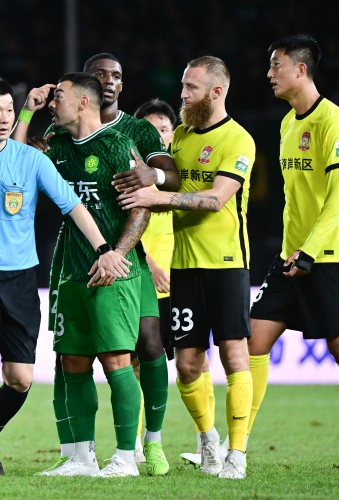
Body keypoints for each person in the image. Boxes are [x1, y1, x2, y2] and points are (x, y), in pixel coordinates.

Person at [0, 76, 129, 477]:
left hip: (20, 280)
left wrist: (105, 249)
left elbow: (73, 206)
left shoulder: (31, 161)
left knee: (19, 378)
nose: (3, 118)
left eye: (9, 111)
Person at [13, 53, 179, 477]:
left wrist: (117, 253)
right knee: (72, 361)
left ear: (83, 102)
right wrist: (29, 111)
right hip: (71, 268)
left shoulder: (120, 143)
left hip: (114, 270)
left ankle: (128, 455)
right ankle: (81, 458)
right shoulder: (57, 145)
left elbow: (141, 206)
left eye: (59, 97)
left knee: (119, 359)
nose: (53, 103)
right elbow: (11, 163)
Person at [248, 34, 339, 476]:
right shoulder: (287, 124)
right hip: (291, 256)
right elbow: (295, 199)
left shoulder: (332, 121)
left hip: (329, 255)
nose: (270, 74)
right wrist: (292, 251)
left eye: (276, 65)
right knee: (254, 340)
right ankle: (233, 450)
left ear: (301, 69)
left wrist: (309, 251)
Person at [118, 56, 255, 479]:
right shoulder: (179, 138)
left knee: (234, 355)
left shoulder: (238, 139)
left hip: (227, 263)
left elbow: (215, 199)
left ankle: (237, 453)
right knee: (188, 365)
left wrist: (158, 197)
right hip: (185, 267)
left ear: (216, 92)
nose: (182, 95)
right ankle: (209, 441)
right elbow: (170, 184)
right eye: (182, 86)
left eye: (191, 88)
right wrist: (149, 183)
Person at [135, 99, 217, 466]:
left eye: (164, 129)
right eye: (149, 129)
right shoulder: (130, 174)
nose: (157, 135)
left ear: (173, 134)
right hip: (143, 280)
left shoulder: (183, 173)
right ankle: (137, 444)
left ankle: (205, 443)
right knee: (139, 363)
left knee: (196, 363)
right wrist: (150, 265)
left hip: (183, 279)